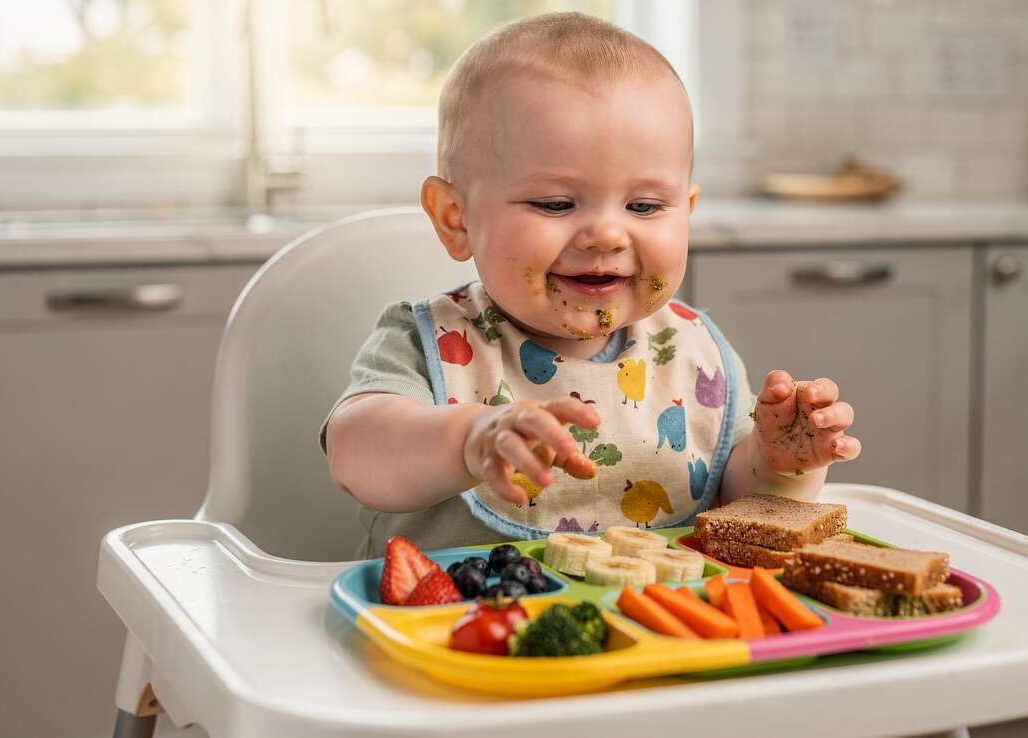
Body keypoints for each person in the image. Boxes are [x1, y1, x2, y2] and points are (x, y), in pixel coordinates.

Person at [322, 12, 860, 559]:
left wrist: (778, 466)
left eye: (645, 206)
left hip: (665, 637)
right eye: (555, 203)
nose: (607, 234)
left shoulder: (694, 355)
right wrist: (469, 439)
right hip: (457, 633)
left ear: (687, 212)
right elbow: (356, 455)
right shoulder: (427, 342)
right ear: (456, 219)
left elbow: (734, 508)